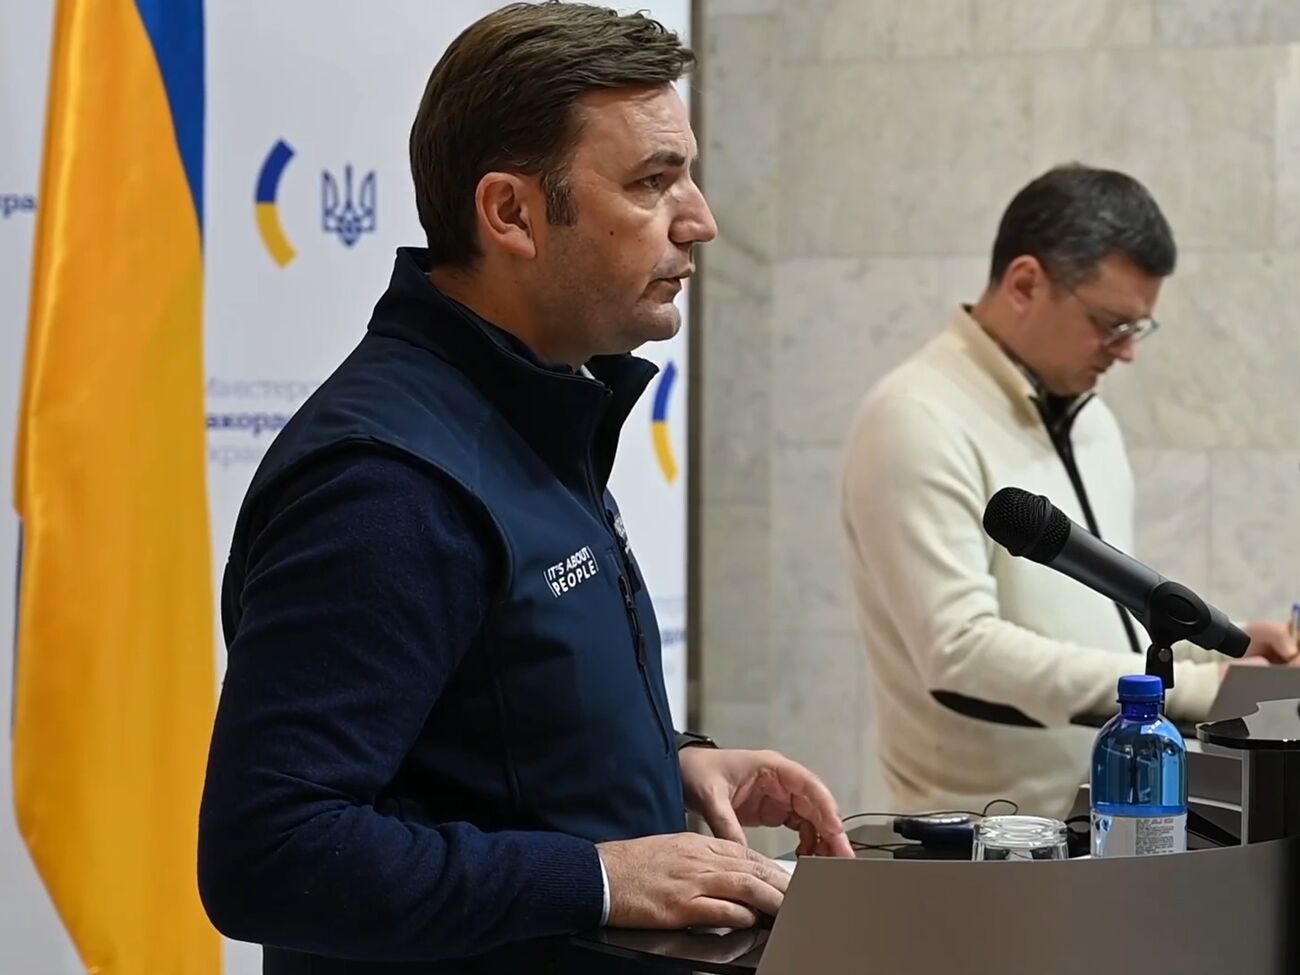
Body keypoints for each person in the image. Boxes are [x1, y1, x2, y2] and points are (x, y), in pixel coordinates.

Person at [196, 4, 853, 974]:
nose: (700, 219)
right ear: (510, 213)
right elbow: (270, 853)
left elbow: (488, 729)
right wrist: (595, 878)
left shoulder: (534, 407)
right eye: (652, 181)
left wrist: (664, 763)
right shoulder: (387, 484)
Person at [840, 164, 1296, 823]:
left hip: (1105, 821)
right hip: (984, 845)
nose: (1125, 352)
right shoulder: (915, 417)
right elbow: (961, 653)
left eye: (1136, 330)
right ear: (1026, 283)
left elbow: (1097, 623)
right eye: (1112, 324)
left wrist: (1219, 647)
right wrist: (1205, 688)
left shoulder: (1090, 419)